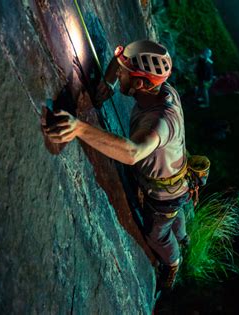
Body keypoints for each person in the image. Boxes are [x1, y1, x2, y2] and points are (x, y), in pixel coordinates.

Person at [43, 40, 189, 291]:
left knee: (157, 233)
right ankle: (184, 236)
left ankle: (174, 261)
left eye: (123, 73)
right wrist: (110, 81)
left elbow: (133, 153)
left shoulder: (162, 122)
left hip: (164, 193)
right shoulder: (161, 90)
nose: (117, 71)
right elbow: (120, 62)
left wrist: (79, 128)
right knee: (173, 216)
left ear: (141, 84)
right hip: (175, 183)